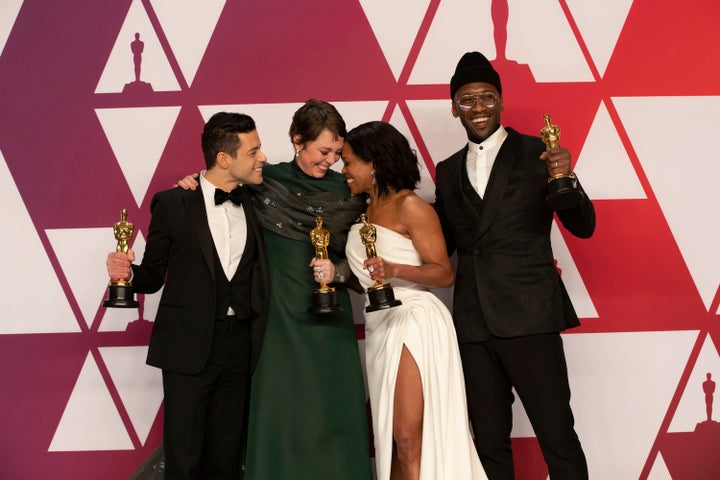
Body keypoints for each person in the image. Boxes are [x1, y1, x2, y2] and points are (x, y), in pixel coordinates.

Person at [177, 99, 372, 479]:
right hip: (278, 320)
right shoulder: (265, 181)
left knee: (333, 412)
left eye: (337, 153)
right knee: (282, 414)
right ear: (298, 140)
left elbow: (368, 261)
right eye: (323, 150)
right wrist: (192, 183)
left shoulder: (351, 189)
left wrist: (340, 269)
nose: (330, 161)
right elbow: (219, 188)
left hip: (330, 321)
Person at [433, 51, 595, 479]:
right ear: (454, 108)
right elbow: (444, 244)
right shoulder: (446, 171)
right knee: (488, 442)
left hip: (530, 313)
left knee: (557, 436)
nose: (479, 107)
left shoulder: (538, 152)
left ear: (501, 101)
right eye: (467, 100)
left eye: (487, 97)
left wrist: (569, 180)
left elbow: (584, 226)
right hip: (472, 321)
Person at [106, 112, 269, 479]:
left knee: (227, 457)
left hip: (240, 345)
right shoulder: (173, 203)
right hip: (187, 345)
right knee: (184, 456)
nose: (262, 157)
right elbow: (151, 276)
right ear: (224, 158)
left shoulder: (258, 201)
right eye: (254, 150)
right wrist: (125, 272)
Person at [342, 121, 487, 480]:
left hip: (415, 321)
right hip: (379, 325)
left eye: (348, 162)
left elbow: (443, 273)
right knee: (391, 440)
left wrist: (395, 267)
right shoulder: (360, 213)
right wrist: (338, 274)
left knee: (407, 438)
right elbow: (370, 280)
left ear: (373, 163)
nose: (342, 171)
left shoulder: (410, 206)